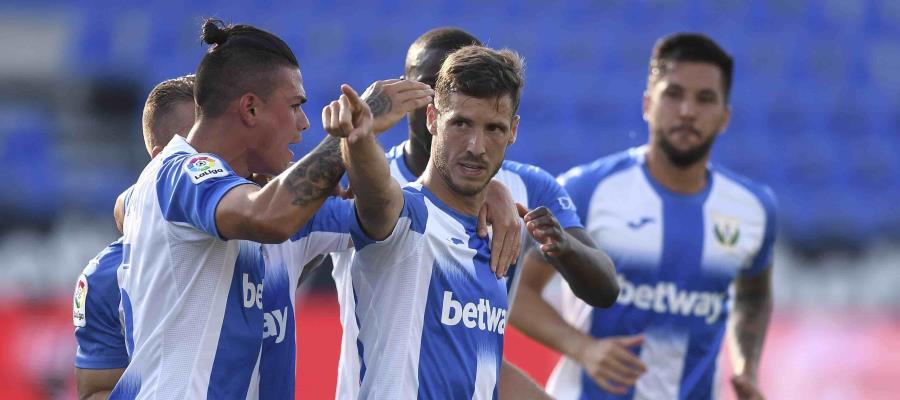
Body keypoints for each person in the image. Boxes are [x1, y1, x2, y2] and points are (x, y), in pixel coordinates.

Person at [329, 27, 619, 399]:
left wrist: (555, 241)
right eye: (460, 120)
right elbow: (282, 240)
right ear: (432, 110)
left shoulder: (523, 190)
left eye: (492, 126)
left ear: (511, 130)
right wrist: (350, 143)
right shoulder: (369, 188)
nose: (476, 145)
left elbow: (476, 356)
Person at [510, 33, 775, 400]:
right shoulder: (587, 190)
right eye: (673, 94)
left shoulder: (753, 210)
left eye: (705, 99)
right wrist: (583, 348)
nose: (687, 111)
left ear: (724, 117)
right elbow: (516, 292)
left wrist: (746, 367)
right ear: (648, 104)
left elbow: (753, 294)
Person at [113, 19, 354, 398]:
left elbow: (381, 216)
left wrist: (479, 191)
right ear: (250, 109)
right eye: (294, 106)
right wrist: (347, 143)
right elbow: (270, 217)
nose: (304, 123)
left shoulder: (247, 191)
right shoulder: (183, 171)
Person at [73, 75, 196, 400]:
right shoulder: (104, 277)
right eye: (199, 146)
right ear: (162, 159)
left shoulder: (259, 235)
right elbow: (97, 390)